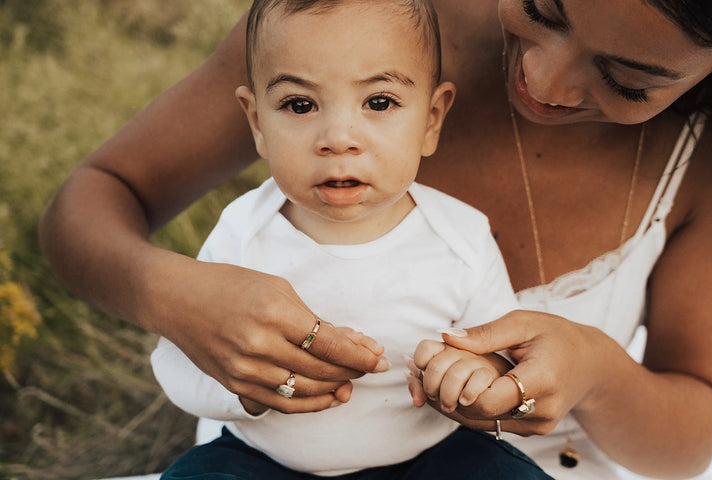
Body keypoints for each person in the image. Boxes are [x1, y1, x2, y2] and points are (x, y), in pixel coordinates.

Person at [38, 0, 712, 479]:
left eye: (629, 79)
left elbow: (692, 442)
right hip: (265, 460)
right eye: (543, 9)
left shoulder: (704, 164)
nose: (544, 82)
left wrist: (595, 373)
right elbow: (88, 204)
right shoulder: (344, 26)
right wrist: (171, 294)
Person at [149, 1, 552, 478]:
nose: (338, 138)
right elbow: (181, 359)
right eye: (300, 105)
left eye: (379, 102)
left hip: (428, 457)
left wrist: (474, 375)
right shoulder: (242, 233)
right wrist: (246, 389)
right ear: (257, 122)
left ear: (431, 118)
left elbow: (501, 353)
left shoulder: (460, 236)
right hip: (263, 459)